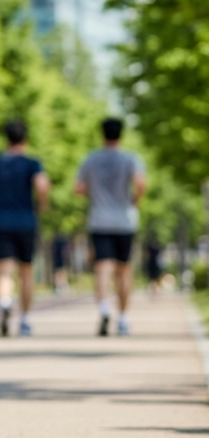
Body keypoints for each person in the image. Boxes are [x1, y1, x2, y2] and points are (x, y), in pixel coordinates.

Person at [0, 121, 50, 337]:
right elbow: (42, 185)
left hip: (2, 221)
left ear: (6, 138)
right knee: (26, 272)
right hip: (26, 221)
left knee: (4, 269)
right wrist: (42, 204)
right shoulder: (32, 163)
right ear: (25, 139)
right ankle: (24, 320)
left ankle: (5, 302)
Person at [75, 117, 146, 336]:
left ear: (102, 133)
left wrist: (94, 195)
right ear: (121, 134)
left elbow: (78, 188)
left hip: (99, 220)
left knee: (102, 268)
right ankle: (123, 318)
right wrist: (134, 200)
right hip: (125, 220)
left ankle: (104, 308)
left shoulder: (91, 159)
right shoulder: (131, 158)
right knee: (124, 270)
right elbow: (141, 183)